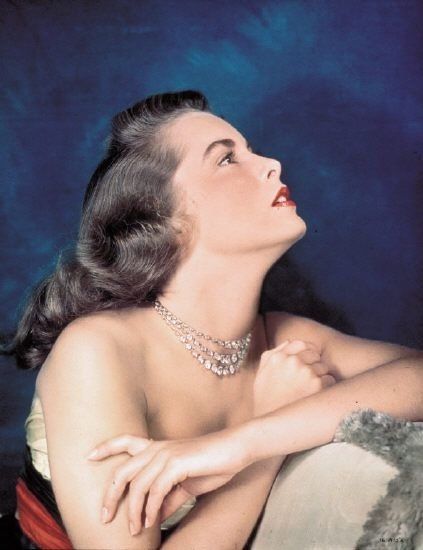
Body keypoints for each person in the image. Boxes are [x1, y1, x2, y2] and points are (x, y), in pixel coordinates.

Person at [6, 90, 423, 549]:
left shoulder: (284, 337)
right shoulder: (97, 349)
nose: (272, 164)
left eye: (249, 150)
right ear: (165, 218)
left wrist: (243, 442)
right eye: (226, 159)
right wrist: (264, 448)